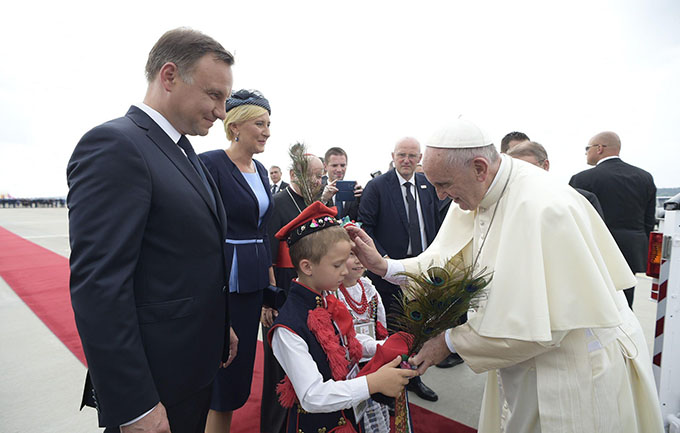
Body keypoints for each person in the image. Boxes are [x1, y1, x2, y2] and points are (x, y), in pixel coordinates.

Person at [348, 117, 664, 433]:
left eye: (444, 184)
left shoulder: (542, 206)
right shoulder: (477, 193)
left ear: (480, 167)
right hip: (526, 369)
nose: (441, 196)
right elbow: (446, 262)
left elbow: (539, 329)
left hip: (575, 366)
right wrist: (383, 266)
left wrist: (448, 341)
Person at [67, 28, 238, 433]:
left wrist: (218, 326)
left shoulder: (181, 149)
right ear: (169, 76)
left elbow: (184, 257)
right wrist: (134, 406)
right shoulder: (116, 145)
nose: (222, 111)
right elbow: (100, 287)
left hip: (191, 371)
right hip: (154, 386)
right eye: (214, 95)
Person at [269, 202, 417, 433]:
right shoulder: (288, 328)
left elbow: (350, 344)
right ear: (307, 267)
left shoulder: (329, 300)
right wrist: (373, 383)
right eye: (338, 264)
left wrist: (385, 346)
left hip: (346, 415)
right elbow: (312, 396)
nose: (346, 271)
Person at [198, 89, 274, 433]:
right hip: (224, 282)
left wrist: (270, 286)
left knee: (240, 368)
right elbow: (201, 232)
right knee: (224, 372)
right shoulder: (211, 163)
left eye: (269, 124)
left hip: (255, 283)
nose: (267, 131)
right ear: (236, 126)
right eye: (260, 123)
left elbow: (264, 231)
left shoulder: (259, 169)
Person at [359, 136, 442, 402]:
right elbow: (366, 227)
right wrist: (383, 260)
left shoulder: (428, 187)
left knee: (419, 330)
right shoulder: (377, 187)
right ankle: (392, 383)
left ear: (420, 159)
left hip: (421, 273)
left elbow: (435, 225)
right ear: (393, 157)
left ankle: (415, 378)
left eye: (412, 156)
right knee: (395, 332)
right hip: (389, 274)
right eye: (401, 155)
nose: (406, 160)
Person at [260, 153, 325, 433]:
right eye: (312, 174)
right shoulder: (276, 204)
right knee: (279, 368)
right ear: (293, 174)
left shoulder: (318, 203)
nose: (317, 180)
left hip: (311, 288)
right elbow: (265, 254)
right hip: (283, 286)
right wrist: (268, 300)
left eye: (320, 175)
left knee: (309, 361)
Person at [569, 131, 656, 309]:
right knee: (625, 305)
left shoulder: (582, 179)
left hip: (596, 250)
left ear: (599, 148)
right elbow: (649, 220)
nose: (586, 152)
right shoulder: (644, 177)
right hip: (631, 249)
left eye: (588, 148)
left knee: (593, 304)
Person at [336, 249, 390, 433]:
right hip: (348, 364)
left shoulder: (369, 288)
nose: (358, 261)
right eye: (351, 255)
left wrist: (384, 347)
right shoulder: (334, 294)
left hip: (372, 360)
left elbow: (380, 324)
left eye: (360, 255)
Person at [507, 141, 604, 217]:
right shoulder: (506, 205)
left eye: (527, 168)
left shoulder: (582, 199)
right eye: (515, 169)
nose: (521, 174)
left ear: (545, 165)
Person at [320, 147, 363, 221]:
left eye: (342, 165)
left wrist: (363, 199)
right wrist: (323, 200)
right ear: (325, 166)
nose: (339, 170)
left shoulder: (356, 191)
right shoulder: (317, 189)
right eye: (334, 165)